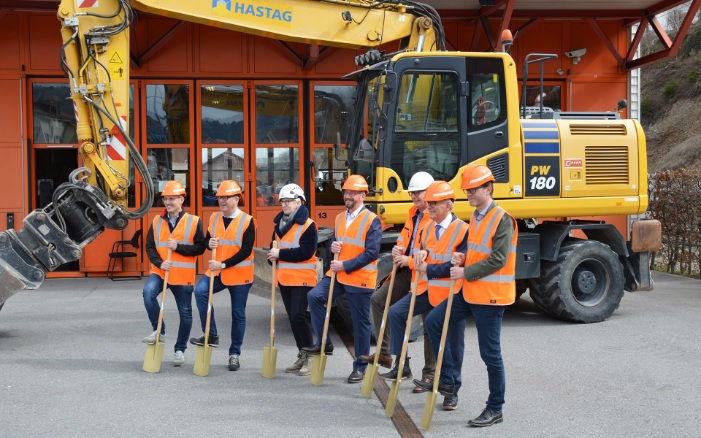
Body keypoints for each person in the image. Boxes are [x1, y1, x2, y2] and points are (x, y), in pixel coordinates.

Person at [413, 164, 518, 427]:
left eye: (474, 189)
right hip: (470, 292)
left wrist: (466, 270)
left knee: (490, 354)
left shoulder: (502, 218)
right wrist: (462, 257)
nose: (469, 193)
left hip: (491, 296)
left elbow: (498, 259)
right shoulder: (476, 217)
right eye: (467, 190)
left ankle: (495, 408)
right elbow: (476, 251)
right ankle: (447, 378)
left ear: (488, 189)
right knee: (434, 321)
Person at [381, 181, 468, 412]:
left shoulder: (463, 230)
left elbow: (454, 262)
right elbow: (427, 250)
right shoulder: (428, 227)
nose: (428, 207)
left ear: (448, 204)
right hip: (426, 290)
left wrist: (427, 267)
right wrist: (421, 253)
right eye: (427, 202)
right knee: (396, 313)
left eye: (434, 203)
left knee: (453, 344)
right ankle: (402, 364)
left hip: (452, 294)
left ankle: (452, 392)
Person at [359, 171, 437, 393]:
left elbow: (433, 252)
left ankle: (429, 375)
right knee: (378, 300)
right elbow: (406, 238)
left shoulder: (435, 217)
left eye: (418, 192)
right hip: (406, 270)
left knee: (429, 323)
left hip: (426, 274)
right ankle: (390, 357)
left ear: (430, 192)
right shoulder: (412, 213)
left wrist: (410, 259)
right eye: (412, 192)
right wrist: (398, 249)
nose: (414, 196)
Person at [303, 175, 381, 384]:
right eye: (346, 192)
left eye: (352, 192)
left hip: (359, 278)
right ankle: (325, 342)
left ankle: (360, 367)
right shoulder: (340, 218)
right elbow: (337, 243)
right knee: (314, 296)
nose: (348, 195)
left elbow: (372, 253)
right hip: (338, 275)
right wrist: (332, 246)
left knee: (360, 324)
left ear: (363, 195)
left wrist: (345, 265)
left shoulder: (372, 220)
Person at [190, 180, 257, 372]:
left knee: (238, 314)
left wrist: (224, 263)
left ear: (236, 199)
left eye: (225, 198)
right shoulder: (214, 218)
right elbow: (206, 241)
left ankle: (234, 354)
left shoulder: (248, 221)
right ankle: (211, 334)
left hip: (239, 273)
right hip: (217, 271)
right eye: (219, 197)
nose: (221, 201)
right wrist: (207, 243)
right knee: (201, 292)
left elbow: (245, 251)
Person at [141, 180, 206, 367]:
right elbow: (150, 246)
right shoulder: (156, 221)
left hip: (182, 276)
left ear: (181, 199)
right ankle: (159, 330)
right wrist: (160, 263)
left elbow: (200, 248)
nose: (168, 202)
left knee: (185, 314)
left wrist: (178, 247)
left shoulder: (194, 222)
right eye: (165, 199)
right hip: (161, 271)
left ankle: (180, 349)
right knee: (148, 293)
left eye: (172, 199)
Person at [266, 183, 318, 377]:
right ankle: (303, 353)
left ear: (299, 202)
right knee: (293, 319)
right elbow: (273, 248)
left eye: (288, 201)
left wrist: (280, 253)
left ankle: (311, 355)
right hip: (285, 278)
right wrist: (272, 256)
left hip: (303, 277)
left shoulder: (308, 225)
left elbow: (306, 252)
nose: (284, 205)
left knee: (299, 316)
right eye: (282, 201)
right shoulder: (279, 224)